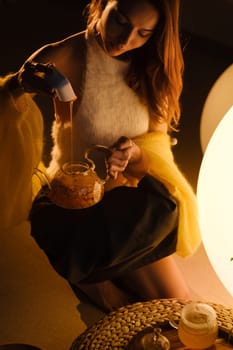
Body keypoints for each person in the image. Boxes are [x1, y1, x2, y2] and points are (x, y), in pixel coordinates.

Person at [0, 0, 201, 312]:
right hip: (77, 203)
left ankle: (94, 271)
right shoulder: (64, 56)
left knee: (179, 304)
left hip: (129, 209)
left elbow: (155, 148)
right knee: (124, 310)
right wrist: (16, 88)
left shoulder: (153, 66)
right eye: (120, 20)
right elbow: (6, 103)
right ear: (103, 4)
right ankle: (90, 275)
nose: (126, 40)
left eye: (143, 33)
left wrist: (134, 154)